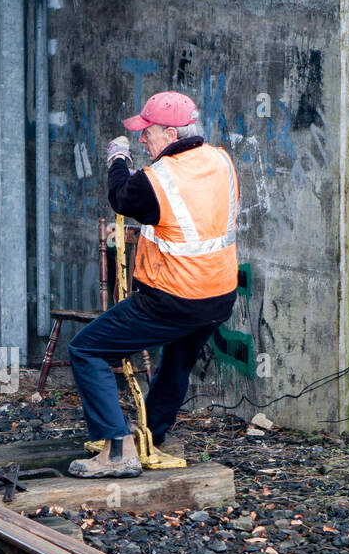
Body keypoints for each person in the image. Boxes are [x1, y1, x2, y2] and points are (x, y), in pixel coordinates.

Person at [67, 91, 239, 479]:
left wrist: (118, 160)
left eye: (149, 132)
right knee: (178, 360)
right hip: (218, 297)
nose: (143, 139)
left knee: (87, 349)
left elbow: (121, 196)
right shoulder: (221, 161)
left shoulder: (157, 179)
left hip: (173, 298)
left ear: (173, 132)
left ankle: (115, 450)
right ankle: (153, 435)